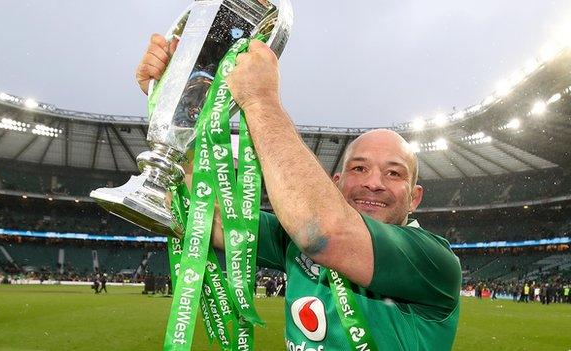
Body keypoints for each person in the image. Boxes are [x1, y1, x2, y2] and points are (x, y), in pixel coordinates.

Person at [138, 34, 462, 350]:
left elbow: (324, 231)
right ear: (335, 183)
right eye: (359, 168)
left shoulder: (433, 260)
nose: (373, 183)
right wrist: (178, 106)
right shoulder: (289, 240)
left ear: (414, 197)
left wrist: (260, 101)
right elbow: (206, 213)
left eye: (393, 173)